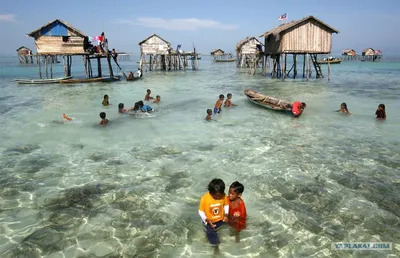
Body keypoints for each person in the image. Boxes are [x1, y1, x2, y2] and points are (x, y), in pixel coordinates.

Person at [198, 178, 229, 250]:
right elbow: (201, 211)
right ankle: (216, 247)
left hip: (221, 220)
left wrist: (226, 215)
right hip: (209, 222)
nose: (218, 198)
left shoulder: (224, 195)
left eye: (219, 196)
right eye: (215, 196)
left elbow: (226, 205)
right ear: (210, 192)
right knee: (210, 233)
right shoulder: (204, 198)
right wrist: (206, 219)